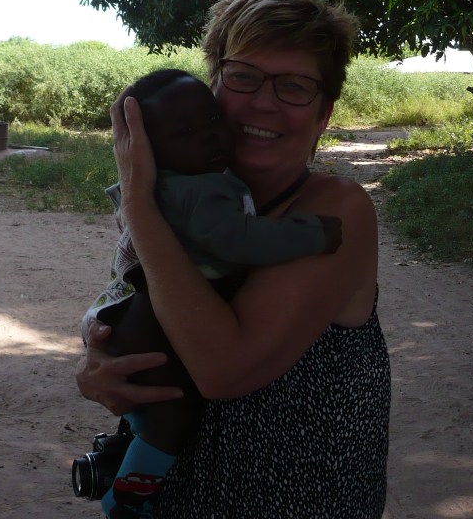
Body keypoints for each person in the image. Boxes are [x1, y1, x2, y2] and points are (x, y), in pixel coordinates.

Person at [76, 0, 392, 518]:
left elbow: (224, 370)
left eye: (295, 86)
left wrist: (137, 199)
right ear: (213, 88)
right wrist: (98, 363)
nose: (264, 103)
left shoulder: (337, 210)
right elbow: (145, 303)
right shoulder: (195, 202)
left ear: (323, 114)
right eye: (244, 76)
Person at [82, 68, 343, 517]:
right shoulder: (199, 190)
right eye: (185, 132)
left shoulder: (160, 188)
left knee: (159, 418)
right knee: (169, 421)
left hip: (138, 317)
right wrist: (311, 233)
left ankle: (131, 481)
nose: (208, 136)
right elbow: (238, 239)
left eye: (211, 120)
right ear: (148, 150)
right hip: (150, 327)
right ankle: (125, 499)